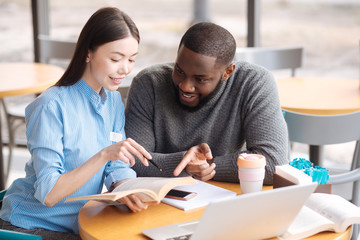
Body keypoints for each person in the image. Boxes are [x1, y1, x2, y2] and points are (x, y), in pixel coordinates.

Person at [0, 7, 155, 240]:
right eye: (115, 58)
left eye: (131, 59)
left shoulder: (112, 99)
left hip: (77, 221)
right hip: (31, 224)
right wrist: (103, 155)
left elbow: (116, 164)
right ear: (88, 53)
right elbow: (49, 193)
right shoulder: (50, 106)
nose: (125, 69)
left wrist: (126, 187)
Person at [125, 22, 289, 184]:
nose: (185, 86)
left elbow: (275, 163)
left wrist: (206, 167)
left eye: (200, 79)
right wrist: (186, 164)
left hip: (230, 195)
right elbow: (133, 160)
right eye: (180, 71)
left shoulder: (253, 83)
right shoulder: (149, 84)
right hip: (165, 200)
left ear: (227, 72)